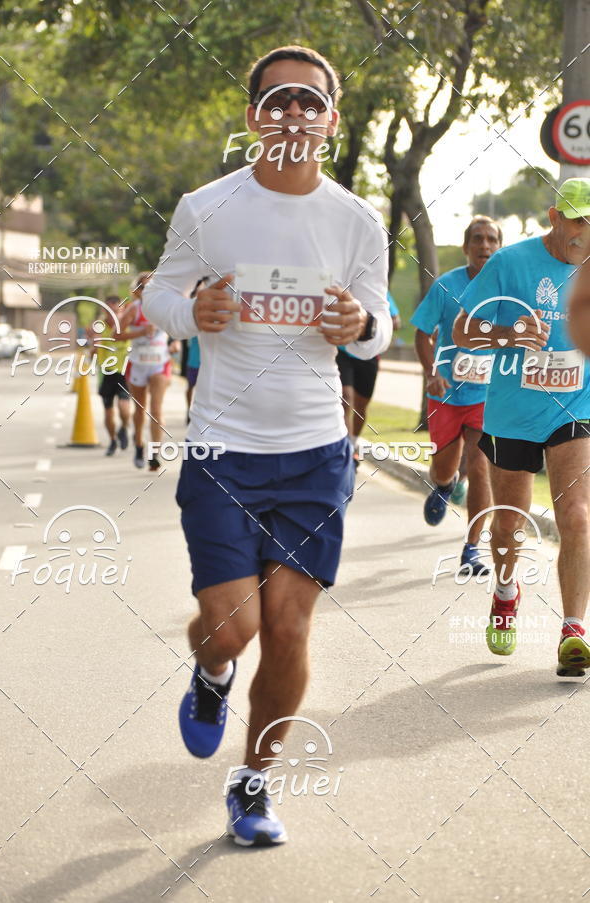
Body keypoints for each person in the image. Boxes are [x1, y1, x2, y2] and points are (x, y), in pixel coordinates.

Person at [143, 45, 391, 846]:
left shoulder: (357, 220)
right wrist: (191, 316)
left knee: (286, 629)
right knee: (232, 628)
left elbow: (379, 318)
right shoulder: (206, 207)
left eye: (309, 101)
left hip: (316, 452)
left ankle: (253, 785)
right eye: (277, 99)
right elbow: (159, 290)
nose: (293, 113)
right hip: (223, 450)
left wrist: (360, 327)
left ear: (330, 119)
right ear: (253, 116)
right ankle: (213, 673)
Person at [453, 178, 590, 674]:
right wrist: (507, 334)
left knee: (576, 514)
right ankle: (506, 592)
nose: (584, 231)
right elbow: (462, 330)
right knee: (509, 520)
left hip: (574, 409)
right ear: (554, 217)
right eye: (576, 219)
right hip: (512, 413)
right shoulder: (511, 263)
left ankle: (573, 630)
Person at [411, 216, 501, 574]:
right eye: (477, 239)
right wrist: (432, 373)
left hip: (487, 397)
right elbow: (422, 333)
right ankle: (445, 485)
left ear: (498, 247)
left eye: (492, 239)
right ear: (466, 247)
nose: (484, 246)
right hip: (447, 395)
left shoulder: (506, 290)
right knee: (444, 467)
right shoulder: (447, 286)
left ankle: (471, 548)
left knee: (481, 467)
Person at [118, 272, 179, 471]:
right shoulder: (134, 309)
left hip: (160, 363)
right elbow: (116, 334)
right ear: (137, 291)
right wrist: (140, 332)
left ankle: (154, 453)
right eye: (143, 287)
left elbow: (178, 330)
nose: (147, 290)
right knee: (140, 410)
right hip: (137, 363)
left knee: (156, 410)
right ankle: (138, 444)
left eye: (151, 286)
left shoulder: (165, 309)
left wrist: (176, 343)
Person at [337, 289, 397, 459]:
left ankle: (354, 441)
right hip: (343, 351)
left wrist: (370, 324)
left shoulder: (374, 289)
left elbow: (395, 320)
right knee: (345, 398)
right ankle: (347, 449)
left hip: (369, 355)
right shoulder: (341, 288)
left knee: (361, 406)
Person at [88, 294, 131, 456]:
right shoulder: (99, 328)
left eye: (115, 309)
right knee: (108, 411)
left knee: (124, 409)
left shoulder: (126, 326)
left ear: (120, 309)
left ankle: (124, 428)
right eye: (108, 309)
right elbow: (92, 352)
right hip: (106, 374)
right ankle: (113, 440)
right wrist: (94, 347)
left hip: (123, 372)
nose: (112, 313)